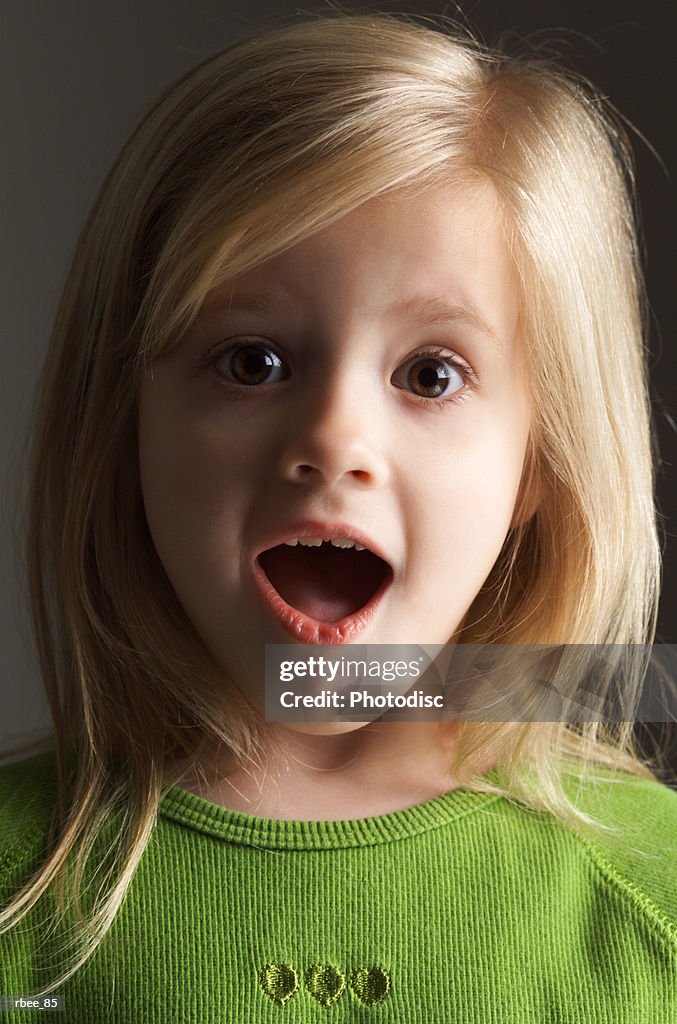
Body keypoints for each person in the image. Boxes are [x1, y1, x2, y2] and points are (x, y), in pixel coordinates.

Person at [0, 10, 675, 1021]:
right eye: (250, 361)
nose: (332, 438)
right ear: (122, 420)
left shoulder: (651, 903)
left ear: (541, 461)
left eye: (430, 374)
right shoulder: (21, 894)